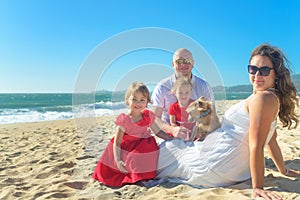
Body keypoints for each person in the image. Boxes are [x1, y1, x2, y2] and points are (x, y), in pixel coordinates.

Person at [155, 44, 300, 199]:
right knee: (166, 151)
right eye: (253, 69)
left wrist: (258, 187)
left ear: (276, 73)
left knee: (163, 152)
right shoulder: (270, 97)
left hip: (214, 162)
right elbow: (271, 140)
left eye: (264, 70)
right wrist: (283, 170)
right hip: (227, 165)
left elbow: (256, 144)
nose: (257, 75)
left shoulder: (262, 98)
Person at [92, 82, 173, 187]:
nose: (138, 103)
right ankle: (135, 177)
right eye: (134, 99)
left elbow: (158, 132)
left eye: (142, 100)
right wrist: (118, 160)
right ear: (127, 100)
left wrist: (169, 137)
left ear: (147, 102)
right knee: (132, 160)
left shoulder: (147, 116)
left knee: (147, 150)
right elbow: (117, 142)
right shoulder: (124, 119)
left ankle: (145, 175)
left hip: (143, 146)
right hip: (126, 148)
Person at [151, 48, 215, 137]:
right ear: (173, 64)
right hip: (170, 138)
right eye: (179, 61)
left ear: (193, 63)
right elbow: (154, 118)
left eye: (187, 61)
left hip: (198, 138)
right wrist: (172, 130)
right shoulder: (162, 87)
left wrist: (201, 131)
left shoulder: (204, 86)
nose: (183, 64)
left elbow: (210, 116)